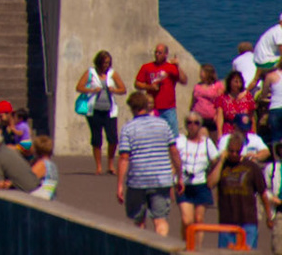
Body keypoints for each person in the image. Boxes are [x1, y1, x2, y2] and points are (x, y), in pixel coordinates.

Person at [115, 89, 180, 236]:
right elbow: (174, 151)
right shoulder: (163, 125)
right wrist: (179, 176)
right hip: (161, 180)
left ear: (132, 108)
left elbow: (124, 158)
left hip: (137, 180)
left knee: (139, 222)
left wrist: (119, 184)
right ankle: (161, 249)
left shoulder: (128, 128)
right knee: (160, 220)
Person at [210, 132, 267, 251]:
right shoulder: (221, 166)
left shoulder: (252, 167)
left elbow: (263, 193)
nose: (234, 154)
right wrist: (221, 161)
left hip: (248, 220)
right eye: (231, 151)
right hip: (227, 220)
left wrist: (268, 216)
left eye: (237, 151)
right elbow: (211, 183)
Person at [79, 50, 127, 173]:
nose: (106, 65)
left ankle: (110, 164)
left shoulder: (112, 74)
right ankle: (98, 166)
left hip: (109, 111)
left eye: (108, 63)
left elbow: (123, 89)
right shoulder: (91, 72)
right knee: (96, 139)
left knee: (113, 139)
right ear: (99, 62)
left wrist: (114, 90)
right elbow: (79, 87)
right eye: (104, 62)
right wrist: (92, 89)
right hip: (94, 110)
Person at [176, 113, 221, 237]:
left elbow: (216, 160)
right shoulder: (180, 141)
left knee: (199, 220)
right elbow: (173, 159)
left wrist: (210, 174)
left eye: (196, 123)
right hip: (184, 185)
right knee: (187, 220)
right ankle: (186, 245)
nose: (192, 126)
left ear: (200, 126)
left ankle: (197, 250)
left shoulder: (207, 143)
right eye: (189, 122)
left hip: (201, 184)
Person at [136, 43, 188, 134]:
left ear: (165, 54)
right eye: (156, 52)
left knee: (172, 135)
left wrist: (178, 66)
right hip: (152, 108)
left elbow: (184, 81)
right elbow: (137, 84)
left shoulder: (170, 67)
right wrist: (149, 87)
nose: (157, 55)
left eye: (160, 53)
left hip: (168, 109)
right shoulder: (146, 67)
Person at [192, 64, 225, 137]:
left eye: (202, 72)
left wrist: (217, 115)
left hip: (212, 118)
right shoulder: (197, 86)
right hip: (199, 117)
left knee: (213, 138)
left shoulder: (217, 85)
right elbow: (193, 101)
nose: (200, 74)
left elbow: (221, 101)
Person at [220, 70, 255, 135]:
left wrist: (254, 133)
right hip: (229, 131)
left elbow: (252, 117)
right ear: (230, 83)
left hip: (245, 130)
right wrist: (219, 135)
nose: (238, 84)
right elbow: (220, 118)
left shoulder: (247, 97)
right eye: (236, 82)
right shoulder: (223, 98)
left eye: (240, 82)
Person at [29, 134, 59, 200]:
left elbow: (27, 181)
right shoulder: (52, 165)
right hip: (50, 199)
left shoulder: (41, 165)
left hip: (40, 200)